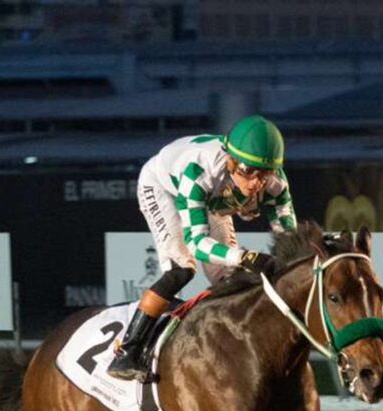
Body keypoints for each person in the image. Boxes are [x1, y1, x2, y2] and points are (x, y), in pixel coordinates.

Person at [107, 114, 297, 381]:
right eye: (247, 170)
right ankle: (127, 351)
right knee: (181, 269)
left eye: (264, 173)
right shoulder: (199, 172)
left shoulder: (277, 185)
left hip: (213, 198)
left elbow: (290, 241)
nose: (255, 182)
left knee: (229, 279)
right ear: (231, 161)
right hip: (165, 188)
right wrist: (245, 256)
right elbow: (197, 244)